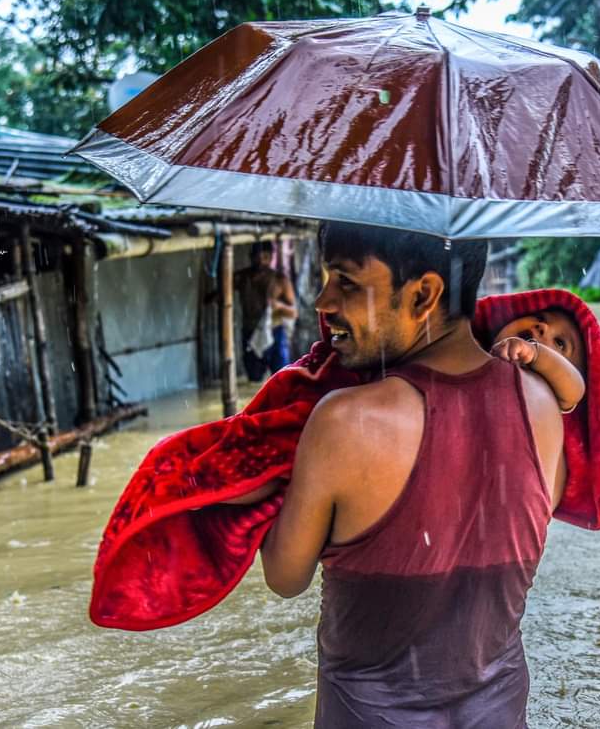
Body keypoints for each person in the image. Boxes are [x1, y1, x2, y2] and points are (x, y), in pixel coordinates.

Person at [256, 221, 571, 727]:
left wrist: (261, 485)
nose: (323, 301)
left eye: (348, 283)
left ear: (424, 293)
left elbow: (285, 576)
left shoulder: (346, 420)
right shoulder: (541, 404)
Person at [234, 241, 298, 381]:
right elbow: (216, 295)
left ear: (271, 257)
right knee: (254, 379)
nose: (261, 261)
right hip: (250, 333)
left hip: (275, 333)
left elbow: (293, 312)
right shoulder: (242, 278)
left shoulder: (280, 280)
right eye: (257, 257)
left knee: (281, 377)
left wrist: (279, 306)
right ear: (251, 257)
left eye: (265, 257)